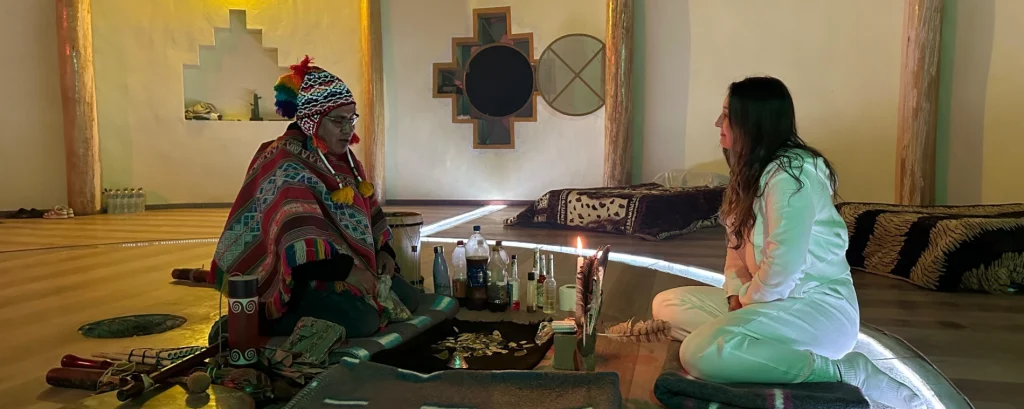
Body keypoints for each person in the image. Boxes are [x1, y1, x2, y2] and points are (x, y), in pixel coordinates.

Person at [651, 76, 922, 409]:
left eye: (727, 115)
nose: (718, 123)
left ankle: (845, 371)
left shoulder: (792, 177)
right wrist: (735, 294)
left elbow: (784, 266)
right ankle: (748, 349)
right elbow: (735, 253)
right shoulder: (748, 175)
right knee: (667, 305)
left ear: (754, 121)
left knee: (697, 352)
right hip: (765, 302)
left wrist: (747, 302)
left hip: (816, 310)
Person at [210, 56, 418, 340]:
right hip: (300, 281)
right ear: (312, 120)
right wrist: (347, 272)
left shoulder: (343, 159)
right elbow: (294, 243)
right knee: (364, 322)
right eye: (338, 121)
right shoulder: (284, 159)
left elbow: (368, 211)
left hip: (347, 270)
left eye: (351, 119)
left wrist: (385, 252)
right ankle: (257, 321)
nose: (348, 129)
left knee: (410, 300)